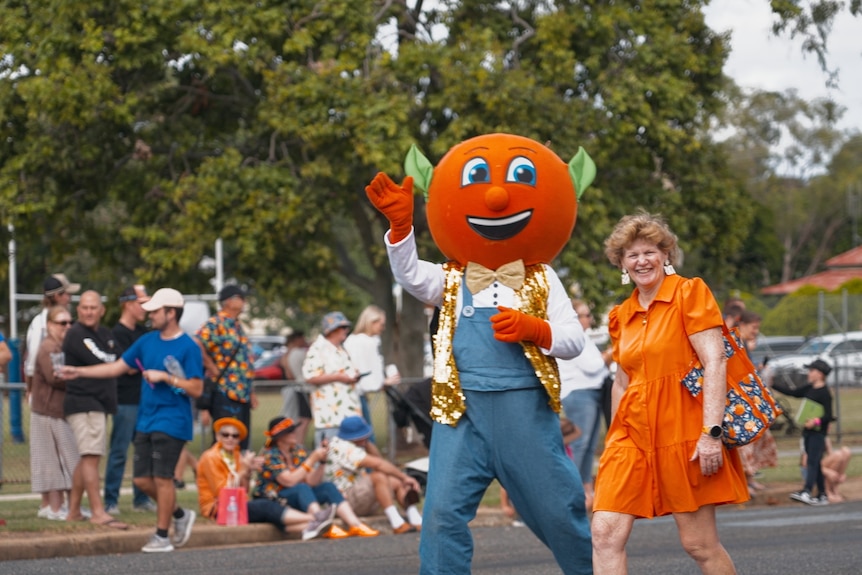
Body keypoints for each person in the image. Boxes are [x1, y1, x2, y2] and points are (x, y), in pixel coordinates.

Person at [366, 133, 595, 574]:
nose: (494, 196)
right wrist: (400, 230)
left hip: (524, 415)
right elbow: (411, 276)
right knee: (441, 516)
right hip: (461, 415)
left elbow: (573, 340)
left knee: (559, 513)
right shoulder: (449, 279)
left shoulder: (543, 279)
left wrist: (535, 329)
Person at [591, 211, 749, 574]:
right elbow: (622, 381)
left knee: (699, 545)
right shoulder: (621, 316)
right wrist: (614, 438)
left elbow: (715, 362)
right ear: (621, 263)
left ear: (666, 256)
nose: (641, 260)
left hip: (683, 432)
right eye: (632, 255)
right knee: (604, 533)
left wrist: (711, 434)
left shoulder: (688, 294)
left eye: (649, 252)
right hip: (631, 436)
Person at [61, 288, 203, 552]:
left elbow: (196, 388)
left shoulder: (188, 346)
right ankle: (181, 515)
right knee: (141, 481)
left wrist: (166, 377)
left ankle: (162, 536)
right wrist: (78, 371)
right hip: (146, 419)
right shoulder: (147, 341)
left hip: (172, 420)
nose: (149, 315)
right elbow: (116, 367)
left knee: (163, 479)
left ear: (171, 313)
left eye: (156, 311)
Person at [252, 416, 379, 539]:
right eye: (290, 431)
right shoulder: (270, 455)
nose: (295, 433)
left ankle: (354, 523)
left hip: (297, 496)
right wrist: (312, 459)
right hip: (275, 499)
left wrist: (322, 462)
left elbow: (311, 481)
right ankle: (322, 522)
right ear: (280, 438)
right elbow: (289, 481)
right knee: (301, 488)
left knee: (327, 487)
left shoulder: (298, 451)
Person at [62, 290, 127, 530]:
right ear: (78, 310)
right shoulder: (76, 335)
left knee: (87, 458)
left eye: (93, 308)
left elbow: (122, 360)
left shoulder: (106, 334)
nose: (89, 312)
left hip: (99, 405)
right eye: (84, 308)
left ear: (102, 310)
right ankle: (98, 512)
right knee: (91, 458)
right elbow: (108, 362)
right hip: (84, 403)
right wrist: (119, 364)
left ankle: (74, 511)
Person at [196, 417, 322, 538]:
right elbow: (222, 493)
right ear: (218, 436)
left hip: (235, 504)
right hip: (217, 508)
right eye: (225, 435)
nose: (230, 438)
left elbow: (244, 491)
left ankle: (312, 525)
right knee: (265, 506)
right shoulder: (211, 457)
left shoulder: (237, 455)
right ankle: (316, 518)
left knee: (269, 511)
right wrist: (243, 471)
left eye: (235, 436)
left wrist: (247, 472)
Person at [104, 285, 156, 515]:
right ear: (128, 303)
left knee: (143, 453)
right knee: (118, 452)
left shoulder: (143, 333)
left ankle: (141, 498)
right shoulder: (117, 334)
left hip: (144, 400)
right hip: (125, 401)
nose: (145, 308)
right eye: (141, 303)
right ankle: (111, 500)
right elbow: (130, 366)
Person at [324, 415, 423, 534]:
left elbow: (379, 460)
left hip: (357, 495)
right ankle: (396, 522)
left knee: (396, 479)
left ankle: (417, 520)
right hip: (345, 501)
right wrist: (405, 477)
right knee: (379, 477)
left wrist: (367, 443)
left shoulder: (355, 445)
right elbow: (378, 464)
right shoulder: (342, 447)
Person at [26, 305, 79, 521]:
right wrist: (83, 376)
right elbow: (55, 377)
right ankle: (55, 508)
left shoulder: (63, 346)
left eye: (69, 322)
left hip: (60, 411)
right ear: (49, 325)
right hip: (47, 412)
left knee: (69, 461)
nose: (67, 326)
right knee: (51, 462)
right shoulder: (48, 347)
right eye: (61, 323)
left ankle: (69, 508)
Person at [560, 299, 611, 511]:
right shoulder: (574, 337)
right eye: (585, 315)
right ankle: (570, 492)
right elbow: (594, 366)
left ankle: (583, 491)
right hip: (580, 393)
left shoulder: (584, 338)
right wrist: (611, 353)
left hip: (589, 393)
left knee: (588, 446)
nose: (589, 319)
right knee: (579, 445)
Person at [197, 285, 258, 450]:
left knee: (240, 441)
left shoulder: (237, 326)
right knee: (226, 439)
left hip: (241, 393)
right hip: (225, 392)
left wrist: (250, 392)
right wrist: (211, 366)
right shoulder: (216, 323)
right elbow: (196, 344)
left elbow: (244, 362)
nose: (244, 301)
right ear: (229, 301)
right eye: (241, 298)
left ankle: (235, 474)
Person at [778, 358, 834, 506]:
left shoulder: (825, 393)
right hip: (807, 432)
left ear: (820, 374)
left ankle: (807, 491)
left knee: (812, 462)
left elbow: (828, 415)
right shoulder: (809, 388)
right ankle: (822, 495)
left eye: (812, 371)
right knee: (815, 462)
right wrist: (771, 385)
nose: (809, 373)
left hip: (818, 433)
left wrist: (815, 421)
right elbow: (793, 393)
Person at [302, 311, 363, 446]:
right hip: (331, 416)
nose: (346, 330)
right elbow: (309, 376)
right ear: (332, 330)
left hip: (348, 412)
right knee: (330, 457)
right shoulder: (318, 348)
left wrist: (353, 376)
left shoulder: (341, 349)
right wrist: (338, 377)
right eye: (343, 327)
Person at [343, 305, 401, 444]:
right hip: (355, 395)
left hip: (355, 394)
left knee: (360, 436)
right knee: (366, 437)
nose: (383, 328)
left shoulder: (354, 340)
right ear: (372, 322)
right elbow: (366, 371)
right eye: (381, 324)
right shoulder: (364, 342)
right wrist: (383, 382)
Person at [734, 310, 777, 493]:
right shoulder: (735, 342)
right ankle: (744, 481)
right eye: (754, 327)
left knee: (754, 438)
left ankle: (750, 478)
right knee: (745, 442)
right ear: (742, 324)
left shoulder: (743, 343)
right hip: (740, 401)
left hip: (749, 398)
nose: (756, 331)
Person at [25, 273, 80, 387]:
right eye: (67, 294)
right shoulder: (40, 323)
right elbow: (33, 359)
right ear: (56, 296)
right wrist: (30, 388)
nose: (70, 298)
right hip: (45, 387)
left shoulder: (69, 319)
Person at [278, 331, 313, 439]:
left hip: (295, 387)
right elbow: (289, 375)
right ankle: (296, 441)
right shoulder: (294, 354)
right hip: (296, 387)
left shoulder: (289, 354)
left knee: (295, 416)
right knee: (295, 417)